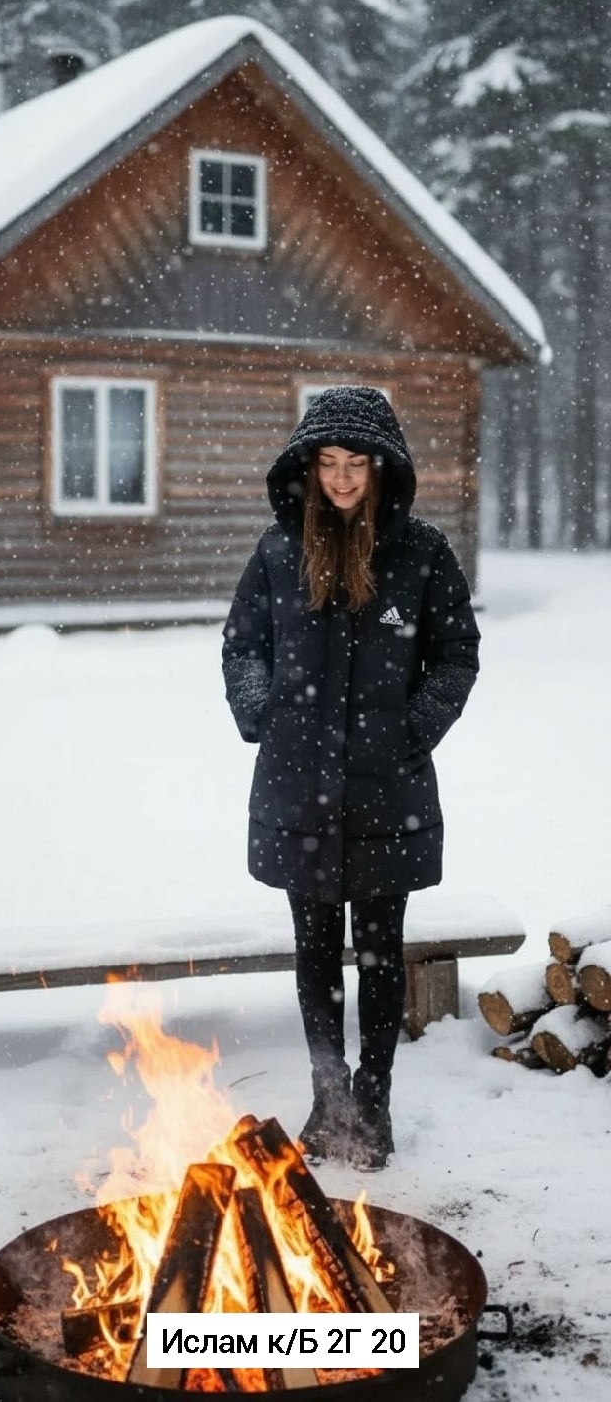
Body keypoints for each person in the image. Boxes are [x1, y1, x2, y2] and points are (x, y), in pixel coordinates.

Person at [222, 386, 480, 1170]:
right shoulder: (277, 550)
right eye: (328, 463)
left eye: (354, 463)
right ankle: (328, 1098)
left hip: (384, 789)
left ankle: (374, 1100)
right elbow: (243, 645)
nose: (340, 478)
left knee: (378, 950)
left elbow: (455, 656)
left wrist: (410, 730)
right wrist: (263, 711)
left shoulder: (422, 553)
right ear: (310, 466)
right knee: (312, 950)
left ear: (380, 467)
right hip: (299, 786)